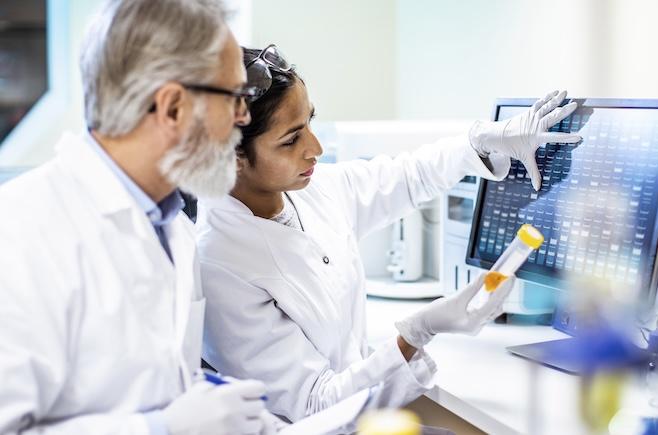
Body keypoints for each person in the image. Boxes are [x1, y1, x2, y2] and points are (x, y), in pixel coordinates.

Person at [196, 45, 581, 422]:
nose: (315, 148)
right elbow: (314, 406)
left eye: (310, 122)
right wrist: (418, 331)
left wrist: (481, 141)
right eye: (291, 139)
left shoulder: (314, 189)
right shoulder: (219, 260)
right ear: (232, 157)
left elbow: (409, 177)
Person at [0, 1, 280, 434]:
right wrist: (159, 428)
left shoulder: (173, 227)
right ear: (171, 108)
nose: (244, 118)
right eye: (237, 98)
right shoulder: (21, 234)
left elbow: (150, 376)